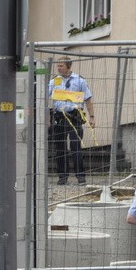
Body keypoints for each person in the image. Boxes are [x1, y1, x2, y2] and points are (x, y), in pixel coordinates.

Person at [48, 57, 95, 185]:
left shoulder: (79, 80)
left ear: (68, 66)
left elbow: (88, 99)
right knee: (60, 148)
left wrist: (92, 116)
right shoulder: (53, 82)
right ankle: (62, 177)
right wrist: (47, 118)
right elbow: (44, 98)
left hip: (75, 116)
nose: (58, 68)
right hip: (59, 117)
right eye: (57, 66)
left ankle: (80, 176)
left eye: (61, 66)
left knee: (76, 147)